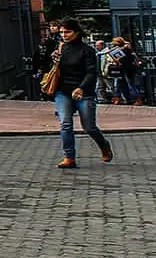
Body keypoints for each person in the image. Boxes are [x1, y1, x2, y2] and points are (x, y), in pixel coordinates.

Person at [49, 19, 114, 168]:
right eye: (62, 32)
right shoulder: (60, 48)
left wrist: (81, 88)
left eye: (67, 32)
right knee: (65, 123)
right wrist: (53, 61)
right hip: (63, 91)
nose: (64, 35)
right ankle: (69, 157)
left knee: (89, 127)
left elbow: (92, 72)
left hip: (84, 92)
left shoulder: (87, 50)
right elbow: (52, 69)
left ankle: (104, 145)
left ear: (76, 32)